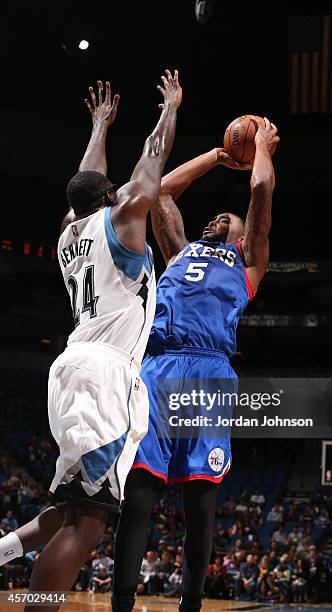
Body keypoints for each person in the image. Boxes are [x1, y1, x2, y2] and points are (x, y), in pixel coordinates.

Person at [0, 71, 182, 612]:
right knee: (87, 529)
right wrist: (169, 109)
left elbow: (84, 181)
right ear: (111, 198)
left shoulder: (66, 233)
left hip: (72, 366)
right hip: (104, 372)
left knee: (69, 509)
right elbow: (149, 169)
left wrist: (100, 126)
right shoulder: (123, 220)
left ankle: (4, 551)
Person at [112, 117, 279, 612]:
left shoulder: (248, 261)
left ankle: (191, 605)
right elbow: (159, 194)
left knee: (200, 503)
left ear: (242, 234)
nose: (214, 221)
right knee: (139, 491)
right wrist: (214, 157)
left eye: (224, 219)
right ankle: (122, 603)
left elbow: (261, 189)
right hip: (158, 368)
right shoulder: (179, 253)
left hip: (209, 373)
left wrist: (262, 148)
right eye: (212, 218)